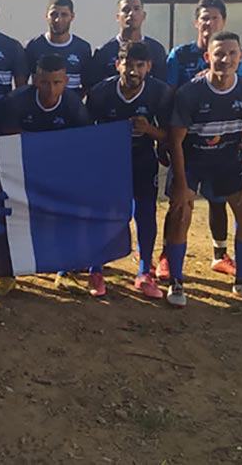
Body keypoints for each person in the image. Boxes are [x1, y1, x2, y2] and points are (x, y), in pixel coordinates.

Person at [164, 31, 242, 307]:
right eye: (219, 54)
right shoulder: (190, 93)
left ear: (240, 57)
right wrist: (182, 186)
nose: (226, 59)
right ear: (208, 57)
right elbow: (175, 141)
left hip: (227, 162)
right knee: (181, 215)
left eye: (232, 53)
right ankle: (176, 281)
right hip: (192, 161)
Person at [160, 0, 242, 279]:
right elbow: (170, 94)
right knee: (179, 203)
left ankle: (220, 254)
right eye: (204, 18)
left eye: (215, 18)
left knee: (218, 200)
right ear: (196, 22)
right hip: (188, 138)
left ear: (223, 21)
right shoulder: (180, 54)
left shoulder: (233, 53)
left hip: (222, 139)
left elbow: (239, 86)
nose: (209, 23)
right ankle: (167, 257)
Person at [0, 53, 92, 296]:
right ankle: (7, 275)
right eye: (45, 82)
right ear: (35, 81)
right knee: (11, 217)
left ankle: (65, 273)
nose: (51, 89)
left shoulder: (72, 104)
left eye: (57, 83)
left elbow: (83, 141)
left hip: (60, 168)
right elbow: (6, 136)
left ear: (66, 81)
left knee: (65, 217)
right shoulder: (17, 100)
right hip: (20, 167)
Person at [86, 41, 172, 300]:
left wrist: (149, 130)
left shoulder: (159, 92)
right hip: (108, 161)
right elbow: (86, 132)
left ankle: (144, 271)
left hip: (142, 158)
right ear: (117, 65)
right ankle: (96, 269)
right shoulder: (101, 93)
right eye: (128, 65)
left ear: (148, 68)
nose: (133, 72)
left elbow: (169, 134)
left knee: (146, 212)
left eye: (139, 66)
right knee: (103, 214)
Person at [88, 0, 168, 87]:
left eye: (136, 9)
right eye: (126, 10)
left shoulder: (156, 50)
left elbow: (162, 86)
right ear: (117, 17)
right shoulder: (103, 52)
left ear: (144, 15)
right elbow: (95, 88)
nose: (131, 13)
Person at [24, 0, 93, 92]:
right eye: (54, 14)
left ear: (72, 17)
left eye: (64, 15)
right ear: (46, 16)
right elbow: (24, 84)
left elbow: (87, 85)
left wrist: (73, 101)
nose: (58, 19)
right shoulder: (33, 46)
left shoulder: (83, 48)